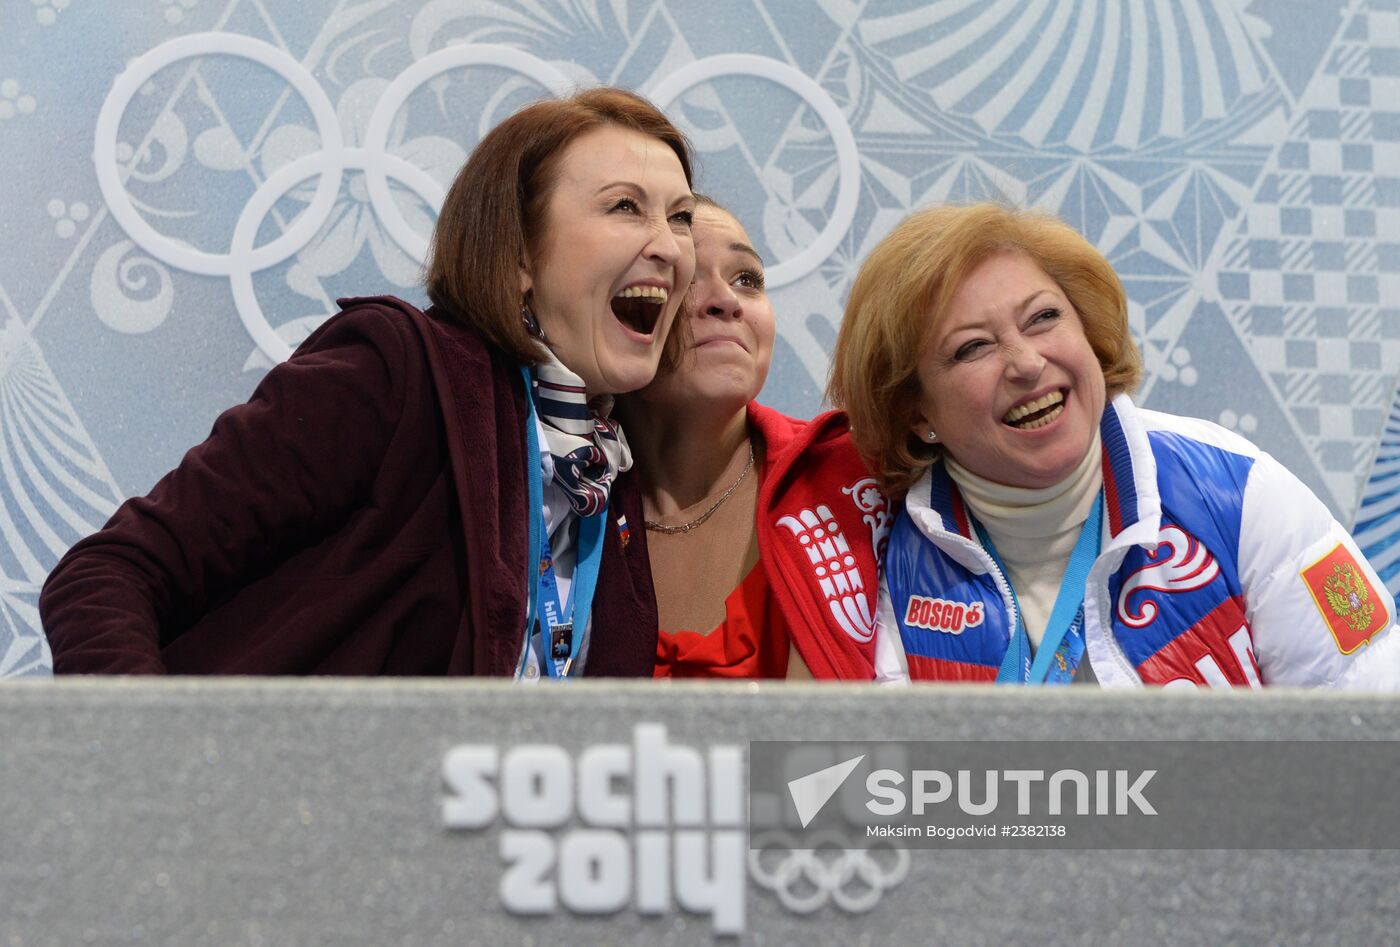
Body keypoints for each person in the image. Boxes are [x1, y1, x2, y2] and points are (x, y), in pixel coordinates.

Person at [41, 87, 697, 678]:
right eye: (624, 207)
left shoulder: (613, 484)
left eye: (681, 217)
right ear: (521, 255)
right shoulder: (398, 374)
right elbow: (106, 576)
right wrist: (169, 778)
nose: (667, 245)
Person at [828, 203, 1399, 688]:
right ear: (917, 412)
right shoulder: (882, 560)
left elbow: (1368, 736)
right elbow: (890, 798)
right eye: (974, 348)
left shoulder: (1233, 487)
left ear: (1088, 331)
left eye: (1044, 318)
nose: (1027, 363)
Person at [614, 197, 887, 679]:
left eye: (748, 279)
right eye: (687, 276)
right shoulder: (557, 506)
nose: (727, 299)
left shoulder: (858, 478)